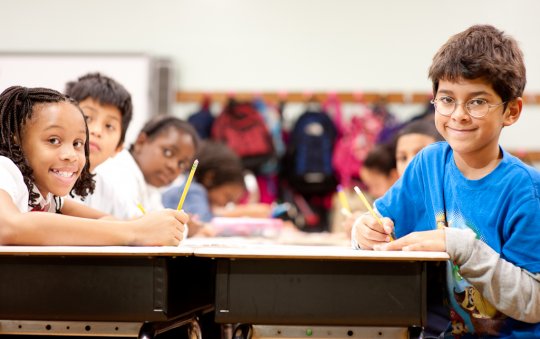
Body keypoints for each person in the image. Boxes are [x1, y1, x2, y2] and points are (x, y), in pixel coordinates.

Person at [352, 25, 540, 337]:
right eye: (447, 99)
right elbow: (381, 225)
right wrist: (364, 233)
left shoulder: (526, 190)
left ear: (511, 110)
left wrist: (465, 249)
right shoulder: (427, 164)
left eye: (478, 101)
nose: (459, 115)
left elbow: (534, 303)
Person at [0, 86, 187, 246]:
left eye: (78, 143)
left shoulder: (49, 198)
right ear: (15, 139)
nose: (71, 155)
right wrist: (135, 231)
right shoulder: (4, 170)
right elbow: (8, 226)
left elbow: (106, 221)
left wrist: (149, 228)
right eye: (54, 140)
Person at [96, 115, 200, 219]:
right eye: (168, 152)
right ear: (141, 142)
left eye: (181, 164)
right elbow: (137, 225)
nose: (173, 167)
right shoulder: (118, 171)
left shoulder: (151, 189)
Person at [162, 141, 272, 235]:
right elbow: (203, 224)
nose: (225, 205)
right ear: (210, 178)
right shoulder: (194, 191)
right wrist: (242, 212)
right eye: (227, 197)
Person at [64, 72, 135, 212]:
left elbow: (132, 222)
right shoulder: (43, 177)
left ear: (118, 147)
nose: (96, 131)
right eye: (88, 118)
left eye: (109, 126)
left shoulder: (107, 192)